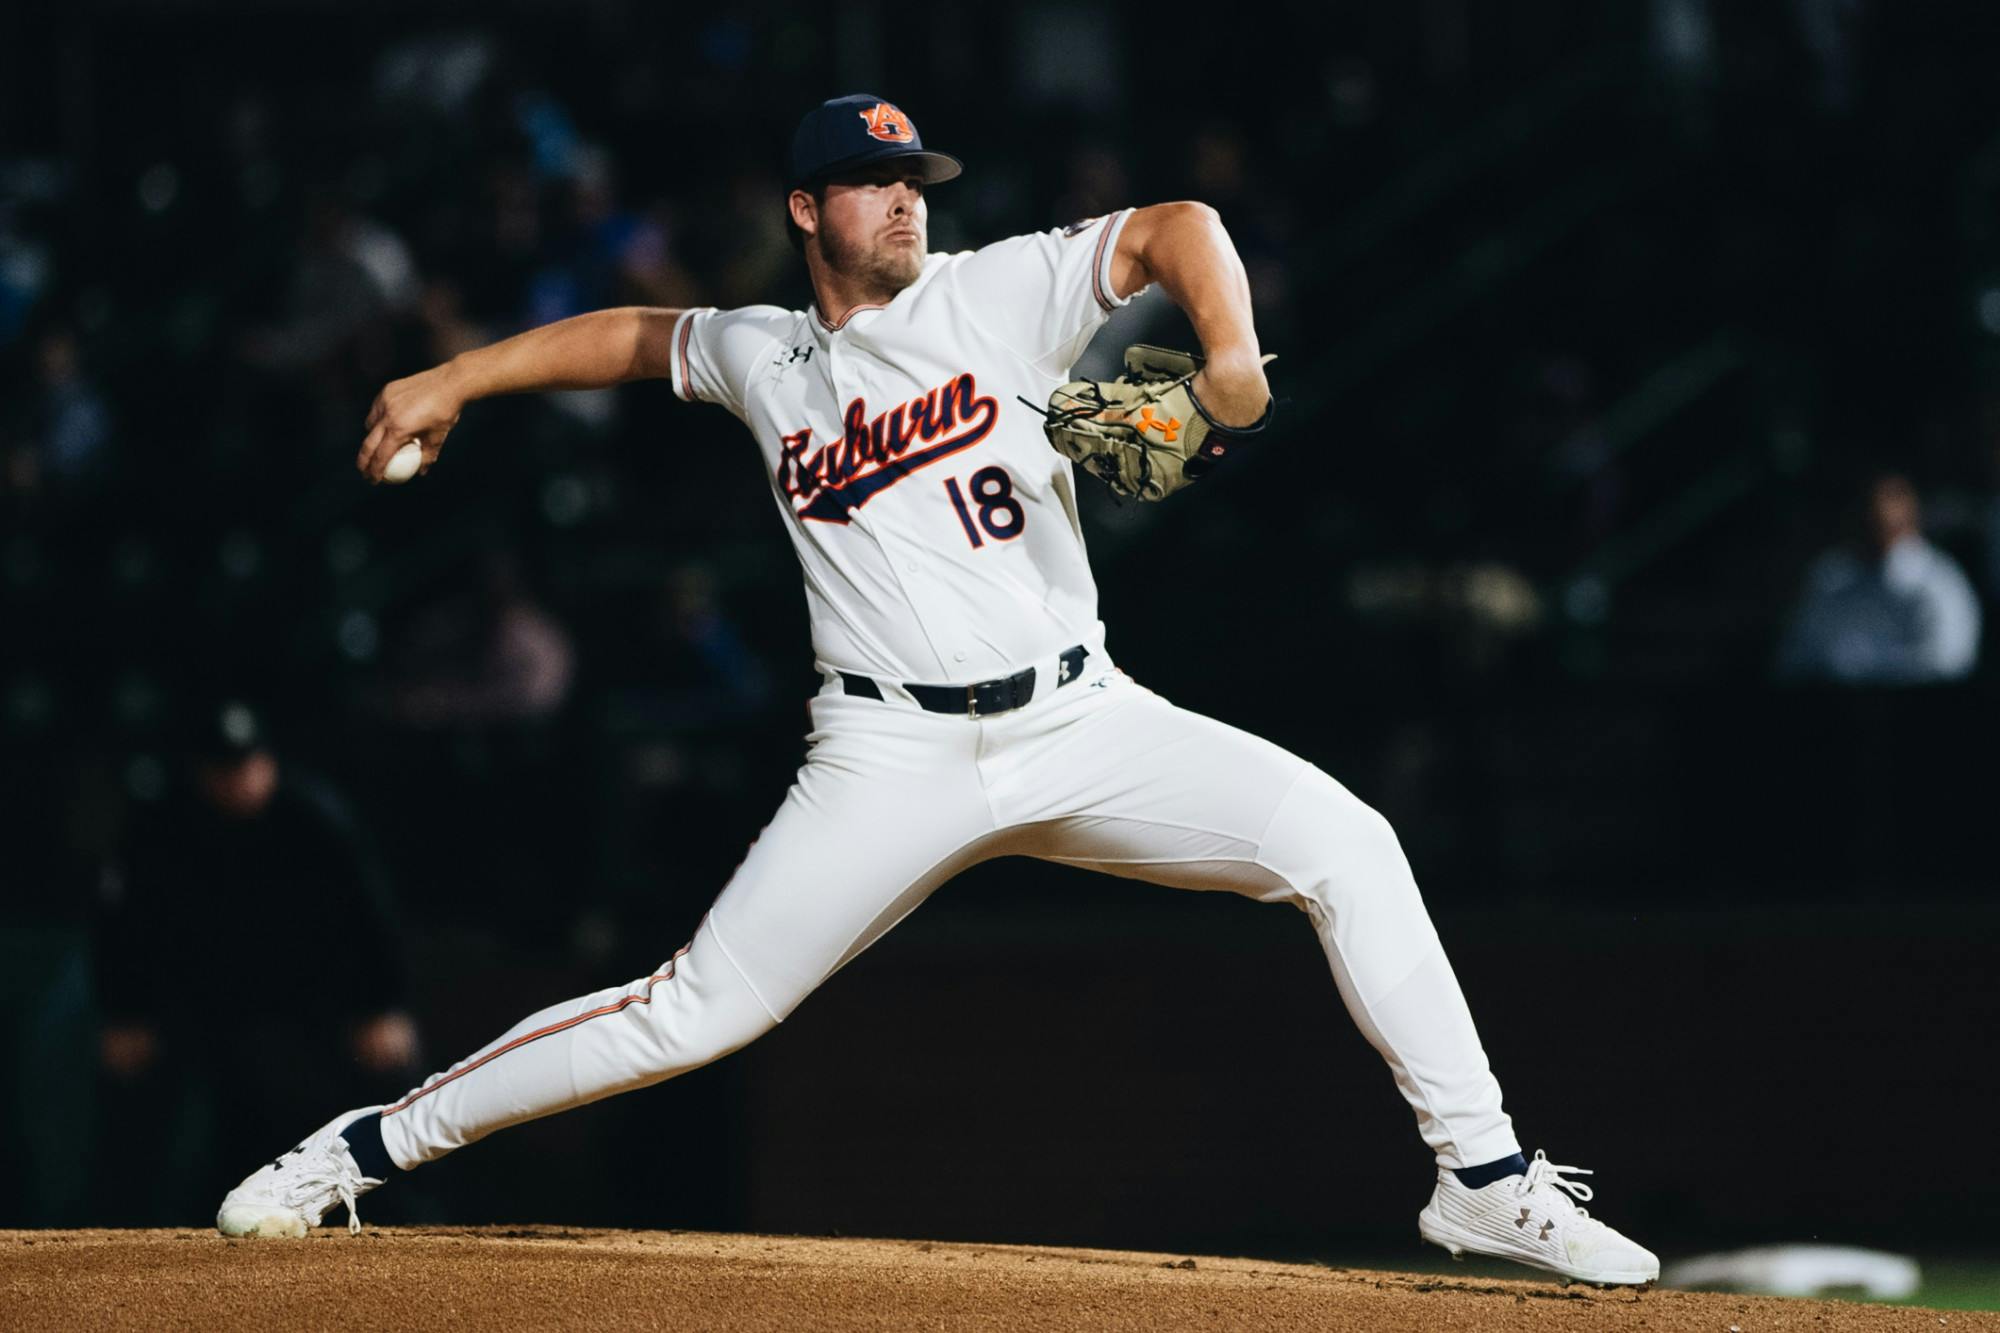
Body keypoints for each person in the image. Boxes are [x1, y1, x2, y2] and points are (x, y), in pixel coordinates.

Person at [217, 95, 1657, 1285]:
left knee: (1349, 845)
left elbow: (1180, 228)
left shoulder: (998, 289)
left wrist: (1227, 354)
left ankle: (1486, 1177)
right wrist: (452, 377)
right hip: (883, 756)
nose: (906, 200)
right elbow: (626, 336)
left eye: (914, 179)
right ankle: (358, 1150)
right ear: (806, 210)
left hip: (1086, 723)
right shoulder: (765, 355)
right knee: (690, 1011)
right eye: (870, 180)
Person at [1776, 472, 1981, 685]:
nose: (1874, 522)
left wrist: (1861, 668)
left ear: (1912, 517)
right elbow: (1795, 658)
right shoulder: (1830, 576)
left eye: (1885, 526)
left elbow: (1948, 662)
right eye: (1865, 515)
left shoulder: (1940, 581)